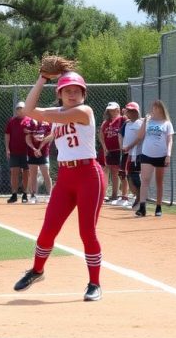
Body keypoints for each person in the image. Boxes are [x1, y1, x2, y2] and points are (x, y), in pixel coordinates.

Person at [12, 61, 106, 302]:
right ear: (60, 94)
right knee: (48, 229)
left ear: (84, 94)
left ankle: (94, 283)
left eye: (77, 90)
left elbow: (34, 112)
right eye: (67, 90)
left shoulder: (85, 112)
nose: (73, 94)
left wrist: (43, 110)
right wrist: (42, 78)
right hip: (65, 177)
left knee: (87, 231)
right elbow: (29, 109)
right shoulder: (57, 117)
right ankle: (37, 270)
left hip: (88, 176)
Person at [135, 100, 175, 217]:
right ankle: (142, 207)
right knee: (145, 179)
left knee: (159, 181)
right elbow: (140, 136)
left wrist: (168, 155)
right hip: (147, 154)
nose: (155, 110)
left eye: (157, 108)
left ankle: (158, 206)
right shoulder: (148, 121)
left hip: (161, 155)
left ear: (162, 110)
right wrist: (145, 122)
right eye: (153, 108)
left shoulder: (166, 123)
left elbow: (170, 140)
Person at [5, 102, 31, 203]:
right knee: (14, 172)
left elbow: (34, 134)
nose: (19, 110)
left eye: (21, 108)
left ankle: (25, 194)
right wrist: (7, 149)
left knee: (26, 172)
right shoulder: (11, 121)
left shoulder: (29, 121)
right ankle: (14, 194)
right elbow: (7, 135)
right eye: (18, 108)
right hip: (14, 151)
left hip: (27, 152)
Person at [119, 102, 144, 208]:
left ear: (136, 111)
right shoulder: (127, 123)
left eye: (132, 110)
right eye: (128, 110)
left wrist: (129, 146)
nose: (129, 112)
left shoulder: (141, 123)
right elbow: (120, 134)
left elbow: (140, 138)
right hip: (126, 153)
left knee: (135, 176)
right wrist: (122, 146)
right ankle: (137, 196)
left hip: (137, 154)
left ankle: (139, 198)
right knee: (125, 175)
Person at [25, 116, 54, 203]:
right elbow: (27, 138)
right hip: (32, 153)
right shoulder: (30, 124)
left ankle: (50, 195)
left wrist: (40, 149)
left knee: (46, 174)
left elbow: (50, 137)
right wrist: (34, 149)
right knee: (33, 175)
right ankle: (33, 196)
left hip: (43, 153)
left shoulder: (47, 124)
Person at [100, 102, 125, 203]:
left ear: (118, 109)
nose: (111, 112)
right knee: (111, 171)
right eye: (110, 110)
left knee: (120, 172)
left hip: (119, 150)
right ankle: (113, 195)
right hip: (109, 151)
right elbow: (101, 135)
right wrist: (104, 147)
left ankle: (121, 195)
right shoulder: (106, 122)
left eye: (113, 109)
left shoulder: (122, 119)